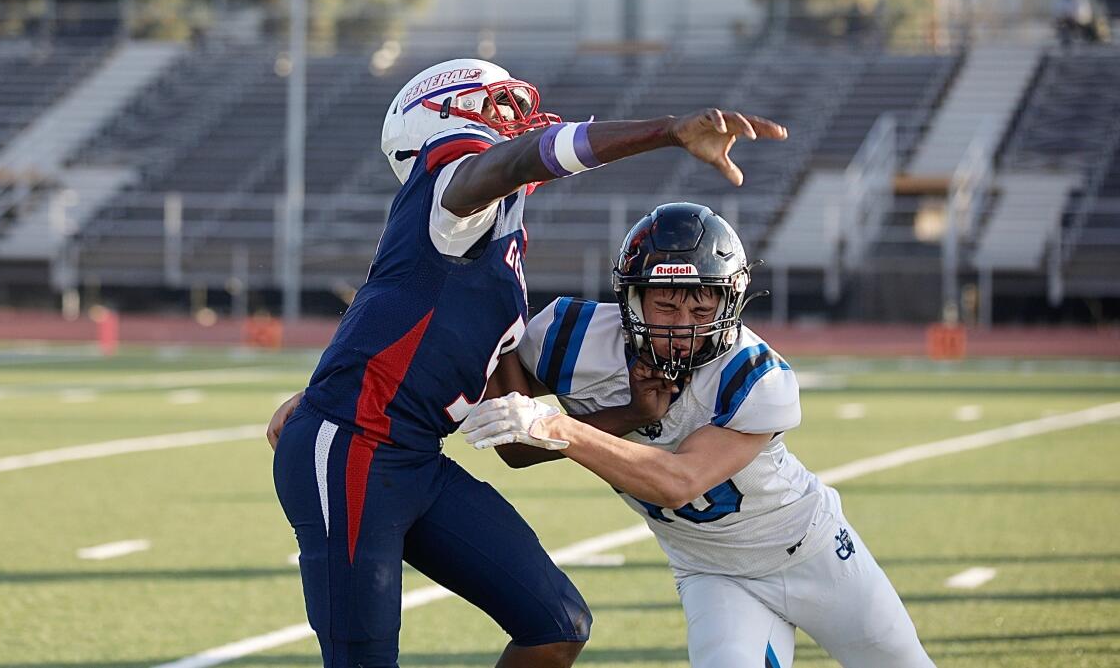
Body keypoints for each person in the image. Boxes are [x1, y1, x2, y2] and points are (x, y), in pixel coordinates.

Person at [266, 60, 788, 668]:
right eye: (500, 108)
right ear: (440, 122)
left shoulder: (489, 231)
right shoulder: (449, 190)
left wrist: (628, 412)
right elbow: (524, 156)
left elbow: (512, 440)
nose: (520, 121)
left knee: (556, 624)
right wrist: (667, 129)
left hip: (410, 458)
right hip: (351, 450)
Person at [462, 202, 934, 668]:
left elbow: (678, 482)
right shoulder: (571, 339)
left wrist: (561, 425)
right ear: (632, 299)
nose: (683, 327)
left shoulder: (754, 376)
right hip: (711, 571)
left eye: (701, 308)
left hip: (812, 552)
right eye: (665, 305)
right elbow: (518, 448)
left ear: (729, 303)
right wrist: (626, 414)